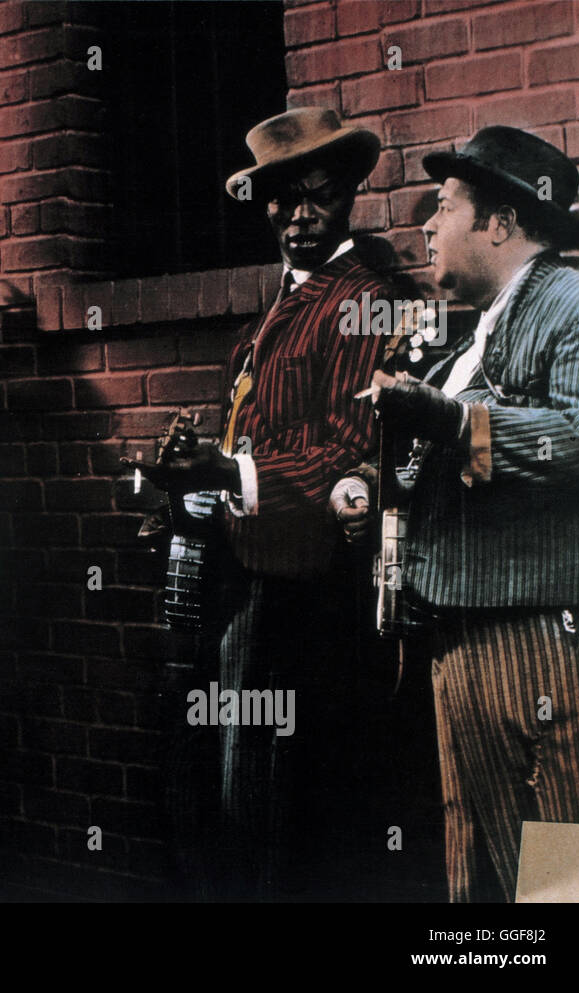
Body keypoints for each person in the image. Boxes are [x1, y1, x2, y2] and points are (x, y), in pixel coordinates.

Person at [141, 108, 421, 899]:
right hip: (242, 573)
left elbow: (348, 441)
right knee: (231, 785)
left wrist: (227, 472)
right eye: (283, 200)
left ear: (350, 199)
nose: (300, 215)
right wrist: (190, 480)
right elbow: (250, 436)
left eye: (320, 197)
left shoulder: (365, 299)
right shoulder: (274, 310)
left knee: (271, 794)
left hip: (302, 588)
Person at [332, 126, 579, 903]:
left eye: (444, 207)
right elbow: (433, 455)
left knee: (560, 869)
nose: (425, 225)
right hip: (463, 632)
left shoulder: (578, 306)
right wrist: (364, 487)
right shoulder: (464, 342)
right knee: (482, 868)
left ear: (502, 223)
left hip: (538, 635)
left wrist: (452, 421)